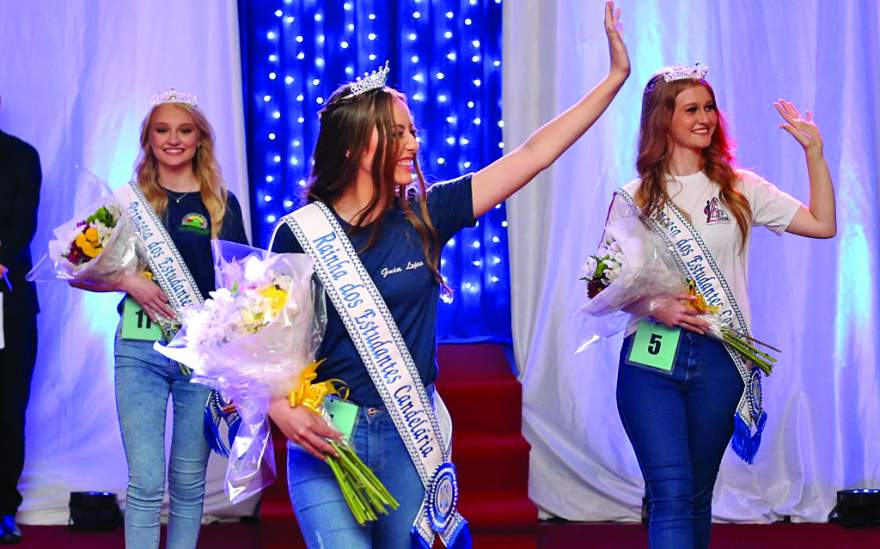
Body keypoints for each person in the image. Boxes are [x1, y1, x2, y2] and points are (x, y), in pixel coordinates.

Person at [267, 3, 630, 548]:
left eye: (412, 130)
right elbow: (268, 344)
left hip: (407, 437)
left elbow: (533, 155)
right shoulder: (299, 233)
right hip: (326, 436)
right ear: (352, 146)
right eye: (396, 133)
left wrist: (614, 80)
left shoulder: (427, 215)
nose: (413, 143)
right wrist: (277, 406)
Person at [605, 65, 836, 549]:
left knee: (695, 496)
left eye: (709, 108)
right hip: (651, 360)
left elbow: (822, 224)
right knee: (670, 492)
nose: (706, 118)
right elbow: (600, 283)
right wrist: (654, 303)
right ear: (663, 119)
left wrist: (814, 152)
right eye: (692, 109)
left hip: (719, 360)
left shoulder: (740, 187)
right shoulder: (634, 197)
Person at [74, 90, 248, 549]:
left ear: (199, 139)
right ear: (148, 140)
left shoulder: (222, 205)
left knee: (189, 485)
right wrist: (128, 282)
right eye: (162, 130)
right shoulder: (127, 203)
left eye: (184, 130)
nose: (174, 140)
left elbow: (246, 288)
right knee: (147, 483)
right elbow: (75, 268)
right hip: (139, 353)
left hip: (199, 358)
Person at [0, 97, 41, 545]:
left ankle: (1, 508)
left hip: (6, 305)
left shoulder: (20, 156)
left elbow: (19, 229)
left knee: (7, 408)